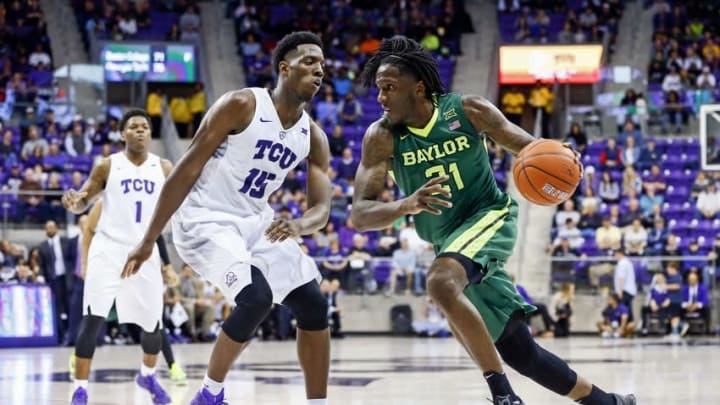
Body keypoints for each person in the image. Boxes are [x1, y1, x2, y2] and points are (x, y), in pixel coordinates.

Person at [352, 36, 635, 405]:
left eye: (388, 88)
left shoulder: (467, 110)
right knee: (523, 354)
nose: (380, 98)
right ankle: (607, 402)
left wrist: (563, 159)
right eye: (379, 89)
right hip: (451, 244)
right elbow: (360, 215)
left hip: (489, 217)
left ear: (417, 87)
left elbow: (531, 150)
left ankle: (503, 397)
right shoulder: (382, 138)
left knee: (439, 282)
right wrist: (406, 205)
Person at [123, 32, 333, 405]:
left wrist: (299, 225)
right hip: (206, 219)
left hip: (257, 221)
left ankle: (318, 401)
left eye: (322, 64)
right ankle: (210, 394)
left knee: (314, 303)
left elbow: (321, 208)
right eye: (310, 61)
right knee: (256, 298)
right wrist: (149, 239)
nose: (320, 69)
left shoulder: (313, 137)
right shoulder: (241, 105)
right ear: (284, 69)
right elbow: (185, 171)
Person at [63, 109, 173, 405]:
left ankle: (148, 376)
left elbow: (180, 202)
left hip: (143, 251)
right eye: (134, 127)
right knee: (93, 319)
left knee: (152, 325)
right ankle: (80, 389)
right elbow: (83, 200)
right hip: (109, 249)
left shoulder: (163, 167)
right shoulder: (107, 166)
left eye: (145, 127)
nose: (140, 131)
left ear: (150, 134)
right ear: (122, 133)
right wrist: (75, 202)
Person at [67, 200, 187, 387]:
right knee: (93, 319)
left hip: (134, 270)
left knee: (153, 320)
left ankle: (171, 365)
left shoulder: (146, 207)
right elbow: (89, 231)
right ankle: (77, 357)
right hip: (107, 268)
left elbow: (158, 237)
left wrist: (168, 266)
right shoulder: (105, 208)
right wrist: (86, 266)